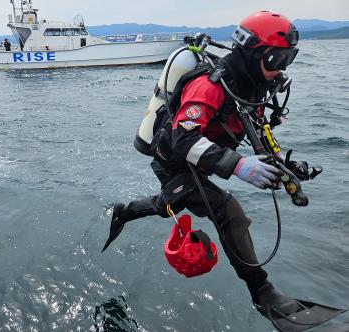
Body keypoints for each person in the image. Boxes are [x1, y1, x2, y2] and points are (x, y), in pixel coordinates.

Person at [102, 11, 341, 330]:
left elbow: (259, 136)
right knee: (228, 211)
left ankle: (125, 211)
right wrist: (237, 165)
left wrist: (286, 167)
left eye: (289, 59)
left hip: (203, 160)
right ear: (254, 53)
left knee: (170, 203)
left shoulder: (252, 86)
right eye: (276, 58)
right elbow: (183, 139)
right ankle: (262, 292)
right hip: (173, 159)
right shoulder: (208, 86)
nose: (281, 68)